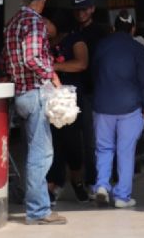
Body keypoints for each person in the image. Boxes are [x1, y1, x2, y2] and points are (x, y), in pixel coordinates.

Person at [0, 0, 66, 225]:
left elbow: (6, 59)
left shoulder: (13, 22)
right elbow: (31, 57)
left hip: (19, 93)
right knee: (42, 153)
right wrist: (52, 75)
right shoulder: (35, 23)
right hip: (35, 93)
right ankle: (38, 210)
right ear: (43, 1)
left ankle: (32, 200)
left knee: (31, 151)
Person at [91, 10, 144, 208]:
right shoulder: (138, 49)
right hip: (130, 106)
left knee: (103, 148)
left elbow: (93, 73)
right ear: (133, 29)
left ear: (113, 28)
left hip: (103, 105)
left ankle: (102, 185)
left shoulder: (101, 45)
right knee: (125, 152)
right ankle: (122, 196)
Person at [46, 13, 91, 203]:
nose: (44, 25)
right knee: (52, 143)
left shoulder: (75, 39)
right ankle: (52, 185)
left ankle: (77, 181)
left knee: (72, 143)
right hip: (50, 99)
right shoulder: (43, 41)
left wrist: (54, 67)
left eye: (48, 22)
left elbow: (81, 63)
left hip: (70, 100)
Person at [71, 0, 110, 194]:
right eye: (77, 10)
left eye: (84, 9)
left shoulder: (102, 33)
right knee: (73, 139)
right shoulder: (71, 31)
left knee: (91, 139)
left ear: (92, 9)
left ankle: (93, 181)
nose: (81, 13)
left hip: (93, 91)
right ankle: (79, 179)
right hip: (71, 92)